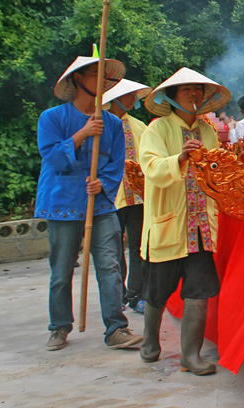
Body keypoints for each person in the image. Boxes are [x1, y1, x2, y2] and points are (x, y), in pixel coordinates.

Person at [36, 56, 142, 351]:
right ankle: (59, 326)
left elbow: (116, 165)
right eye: (97, 75)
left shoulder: (112, 123)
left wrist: (103, 185)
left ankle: (116, 328)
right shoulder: (52, 118)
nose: (104, 81)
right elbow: (54, 158)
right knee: (61, 269)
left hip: (101, 204)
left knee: (110, 265)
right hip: (62, 202)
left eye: (106, 77)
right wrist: (83, 134)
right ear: (77, 79)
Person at [138, 67, 230, 376]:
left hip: (202, 226)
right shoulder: (157, 129)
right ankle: (150, 343)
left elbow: (217, 170)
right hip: (169, 225)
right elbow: (151, 167)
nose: (193, 94)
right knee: (157, 291)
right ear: (172, 97)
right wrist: (179, 158)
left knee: (199, 289)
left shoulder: (208, 131)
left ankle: (191, 355)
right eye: (186, 89)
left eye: (198, 89)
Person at [103, 78, 152, 313]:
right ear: (116, 98)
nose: (134, 99)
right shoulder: (101, 125)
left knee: (138, 247)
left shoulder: (140, 126)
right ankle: (117, 294)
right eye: (129, 95)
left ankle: (137, 294)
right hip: (110, 197)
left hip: (138, 196)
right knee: (112, 249)